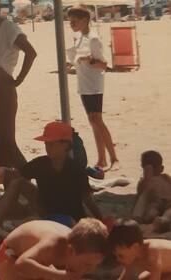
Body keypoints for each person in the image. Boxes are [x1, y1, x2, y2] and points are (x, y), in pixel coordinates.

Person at [0, 121, 103, 228]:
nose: (48, 148)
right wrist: (4, 170)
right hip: (45, 210)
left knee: (28, 222)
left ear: (66, 146)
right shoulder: (41, 163)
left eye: (51, 144)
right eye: (46, 144)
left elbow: (87, 199)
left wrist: (101, 221)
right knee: (18, 182)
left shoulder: (76, 169)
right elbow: (18, 175)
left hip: (71, 217)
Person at [0, 0, 37, 170]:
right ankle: (9, 185)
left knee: (7, 142)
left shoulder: (8, 27)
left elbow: (31, 53)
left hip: (2, 87)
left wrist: (19, 79)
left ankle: (31, 181)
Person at [67, 6, 119, 171]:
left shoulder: (94, 39)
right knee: (93, 122)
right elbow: (78, 60)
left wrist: (88, 61)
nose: (71, 24)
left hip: (95, 85)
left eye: (74, 21)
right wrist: (72, 62)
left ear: (84, 21)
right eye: (70, 21)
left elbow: (103, 65)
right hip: (84, 85)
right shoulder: (79, 37)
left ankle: (114, 158)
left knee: (97, 120)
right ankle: (102, 159)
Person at [0, 218, 108, 280]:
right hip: (10, 255)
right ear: (71, 251)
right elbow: (21, 264)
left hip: (39, 259)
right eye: (87, 264)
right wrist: (59, 275)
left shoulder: (79, 247)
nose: (91, 269)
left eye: (96, 265)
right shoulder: (53, 244)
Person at [132, 151, 171, 233]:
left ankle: (161, 220)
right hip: (158, 203)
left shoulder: (165, 178)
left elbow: (140, 196)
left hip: (163, 203)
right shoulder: (164, 178)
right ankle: (160, 219)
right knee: (161, 211)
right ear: (161, 168)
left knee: (145, 199)